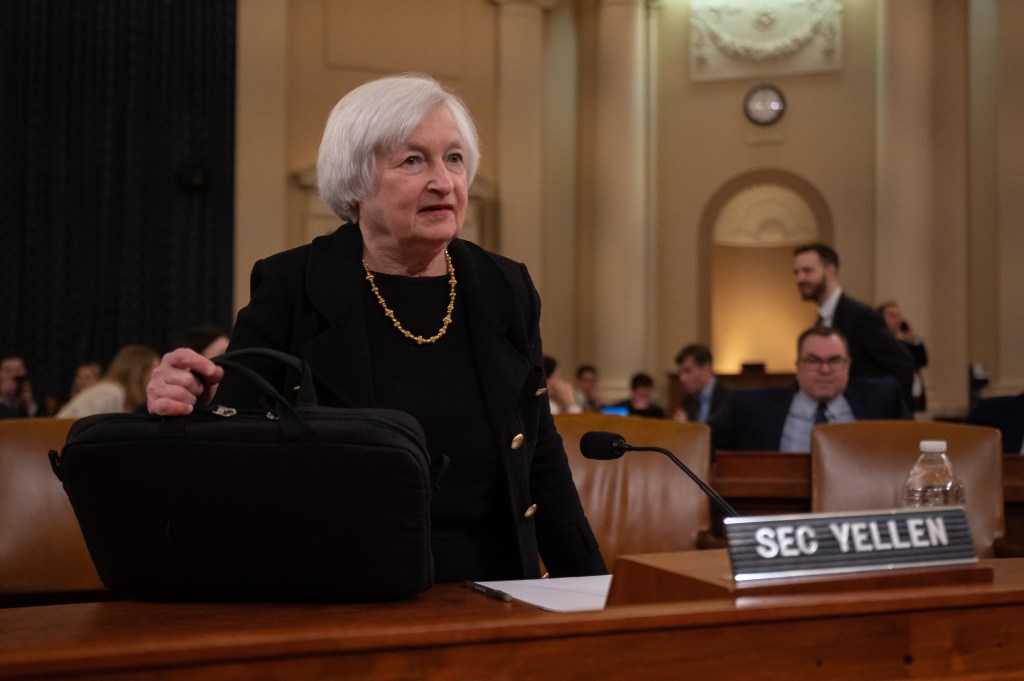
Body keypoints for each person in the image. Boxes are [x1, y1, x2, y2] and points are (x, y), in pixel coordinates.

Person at [145, 73, 605, 583]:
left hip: (494, 581)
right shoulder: (292, 284)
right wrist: (201, 401)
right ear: (355, 183)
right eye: (413, 160)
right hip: (345, 580)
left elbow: (539, 449)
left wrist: (590, 587)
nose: (443, 181)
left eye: (454, 158)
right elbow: (237, 444)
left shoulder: (504, 286)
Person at [710, 327, 910, 453]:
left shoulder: (883, 399)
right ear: (798, 367)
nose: (824, 370)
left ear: (848, 365)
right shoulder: (749, 407)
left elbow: (910, 452)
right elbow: (704, 447)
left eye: (834, 361)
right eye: (813, 361)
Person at [793, 243, 916, 410]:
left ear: (831, 270)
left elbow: (903, 364)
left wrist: (891, 418)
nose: (800, 279)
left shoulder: (859, 315)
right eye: (797, 273)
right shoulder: (821, 319)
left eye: (807, 271)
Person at [57, 345, 159, 418]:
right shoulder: (111, 393)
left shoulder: (118, 393)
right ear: (138, 373)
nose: (158, 378)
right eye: (154, 371)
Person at [877, 301, 928, 412]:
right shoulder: (877, 345)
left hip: (909, 397)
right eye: (892, 315)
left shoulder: (904, 345)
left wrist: (913, 338)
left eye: (899, 316)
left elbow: (922, 361)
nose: (897, 320)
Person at [671, 343, 732, 424]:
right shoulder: (688, 400)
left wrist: (689, 428)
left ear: (706, 368)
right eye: (680, 373)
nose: (682, 378)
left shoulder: (729, 397)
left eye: (688, 371)